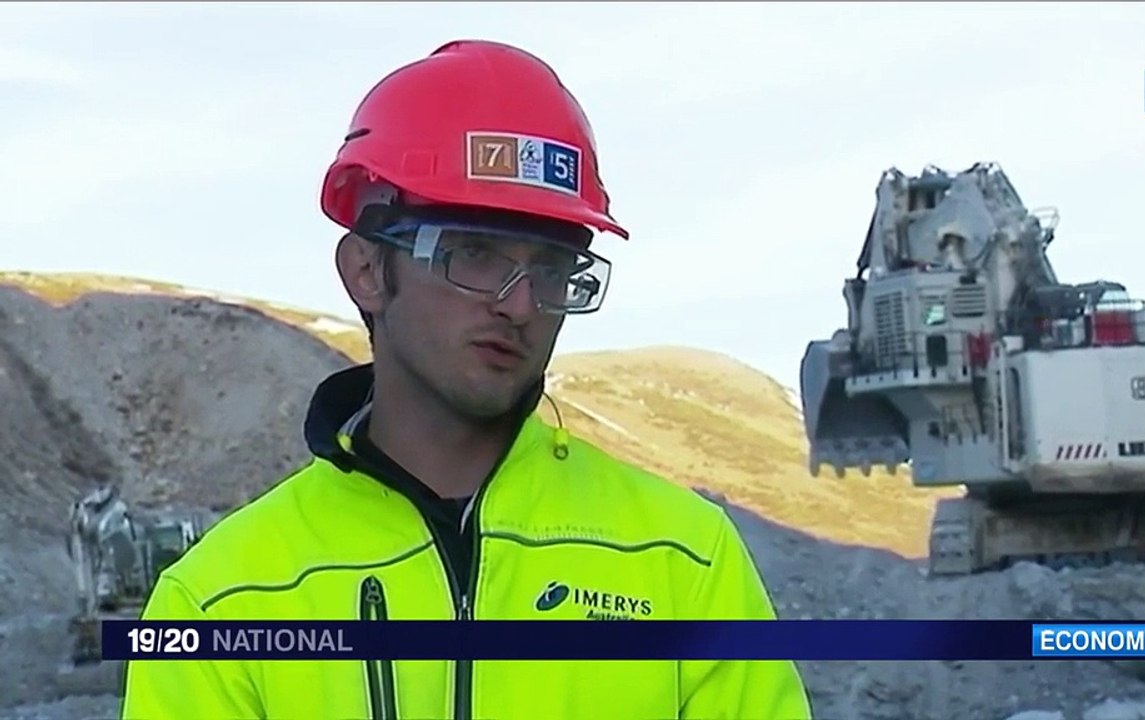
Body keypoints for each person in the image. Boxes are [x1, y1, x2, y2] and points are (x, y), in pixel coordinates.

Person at [120, 39, 812, 720]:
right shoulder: (220, 604)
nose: (520, 304)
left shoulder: (683, 558)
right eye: (474, 254)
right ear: (366, 271)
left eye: (552, 269)